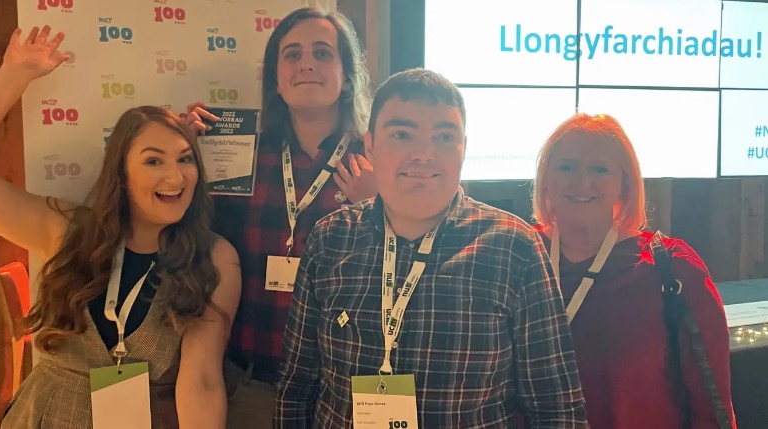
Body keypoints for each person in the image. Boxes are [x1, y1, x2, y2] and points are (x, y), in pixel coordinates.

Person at [0, 25, 240, 429]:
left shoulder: (213, 256)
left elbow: (202, 382)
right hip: (47, 415)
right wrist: (14, 74)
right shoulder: (68, 230)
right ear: (121, 172)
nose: (175, 177)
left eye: (185, 159)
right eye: (153, 160)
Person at [275, 68, 588, 428]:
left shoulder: (513, 247)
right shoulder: (330, 239)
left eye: (444, 137)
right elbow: (297, 386)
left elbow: (555, 408)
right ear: (371, 145)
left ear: (464, 148)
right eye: (402, 134)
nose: (423, 154)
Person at [182, 7, 376, 428]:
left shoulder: (378, 159)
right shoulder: (239, 154)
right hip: (254, 384)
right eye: (292, 54)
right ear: (275, 78)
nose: (306, 64)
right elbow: (185, 234)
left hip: (342, 389)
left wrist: (380, 208)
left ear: (347, 76)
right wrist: (182, 150)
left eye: (322, 53)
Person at [531, 113, 736, 428]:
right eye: (566, 167)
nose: (582, 182)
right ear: (545, 178)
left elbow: (712, 407)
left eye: (600, 169)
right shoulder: (517, 257)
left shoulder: (673, 269)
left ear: (625, 183)